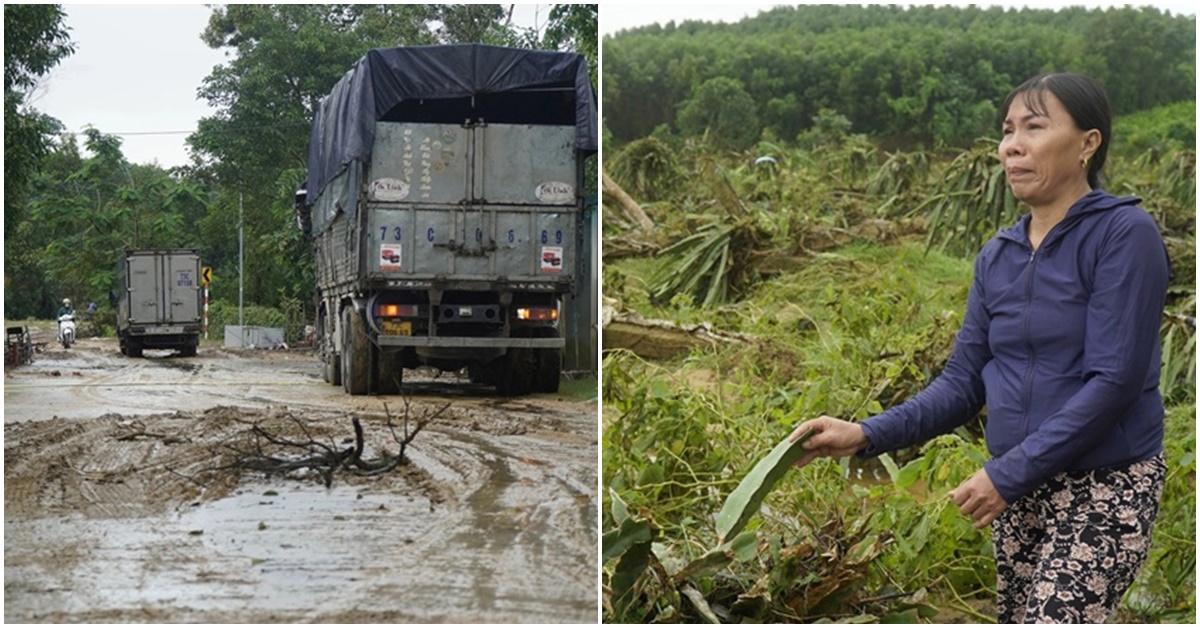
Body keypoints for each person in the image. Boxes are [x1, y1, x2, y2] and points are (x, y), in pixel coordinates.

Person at [788, 73, 1170, 623]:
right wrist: (867, 433)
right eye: (1008, 130)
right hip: (1020, 481)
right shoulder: (1000, 255)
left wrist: (1006, 476)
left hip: (1105, 482)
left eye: (1034, 128)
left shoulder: (1123, 234)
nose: (1011, 145)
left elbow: (1114, 383)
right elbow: (964, 381)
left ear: (1089, 143)